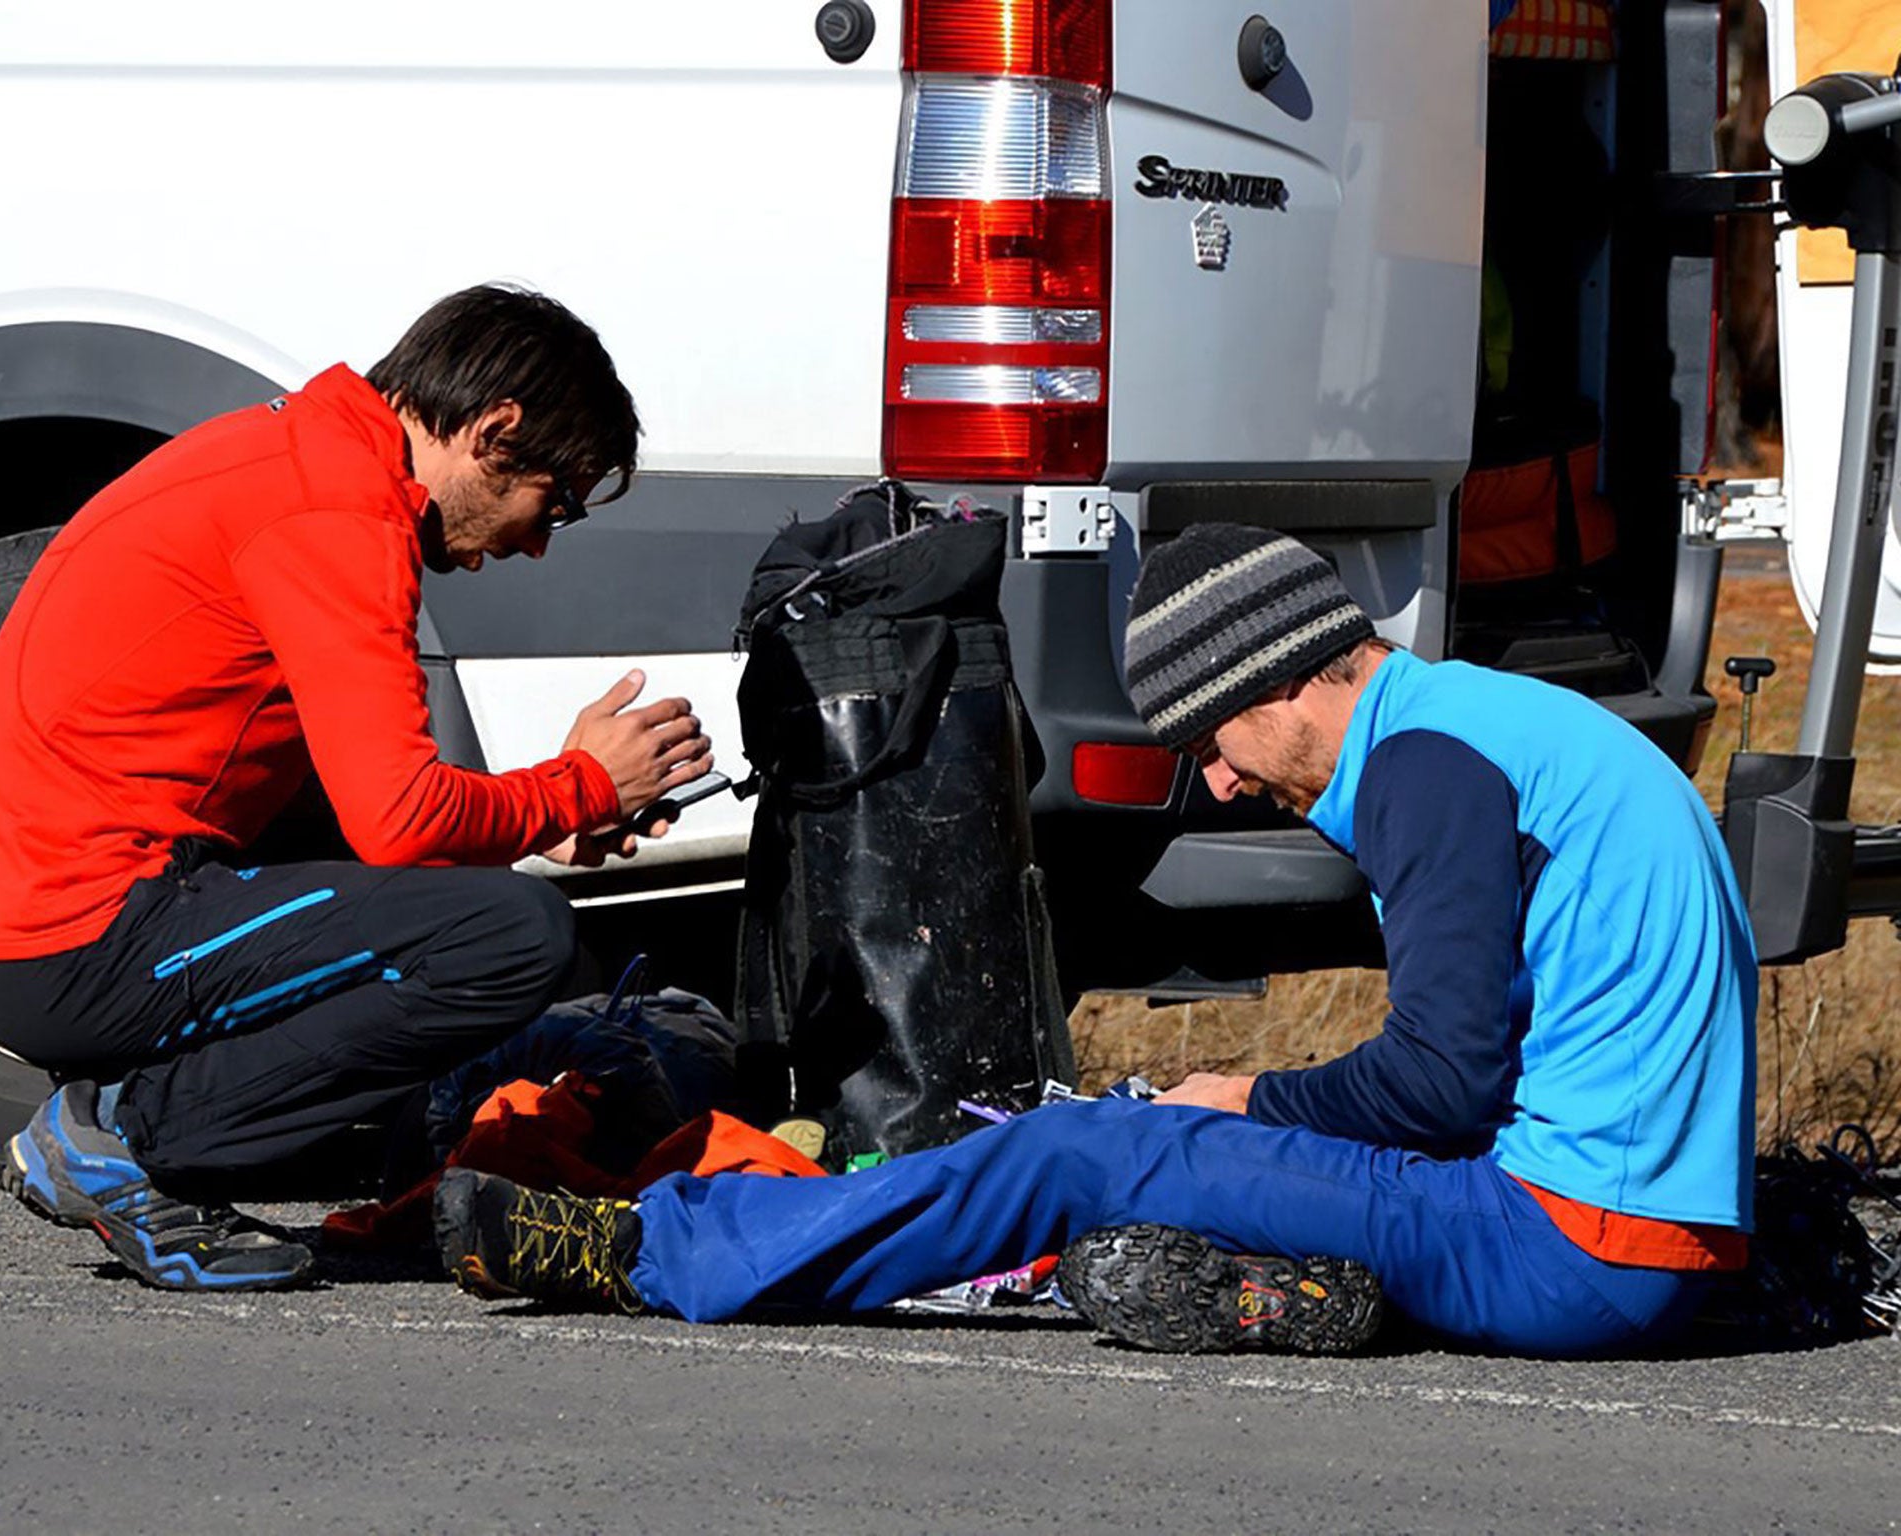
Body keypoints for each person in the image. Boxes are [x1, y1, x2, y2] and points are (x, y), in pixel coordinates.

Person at [432, 523, 1758, 1358]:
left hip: (1569, 1251)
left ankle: (646, 1252)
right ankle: (1282, 1283)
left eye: (1210, 744)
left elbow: (1439, 1085)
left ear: (1284, 678)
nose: (1223, 786)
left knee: (1086, 1142)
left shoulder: (1425, 766)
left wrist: (1239, 1096)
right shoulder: (1497, 726)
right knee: (1162, 1141)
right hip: (1648, 1237)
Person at [0, 284, 714, 1292]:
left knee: (468, 906)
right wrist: (573, 789)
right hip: (76, 933)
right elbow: (396, 823)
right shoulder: (338, 515)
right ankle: (118, 1135)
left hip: (48, 915)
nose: (534, 543)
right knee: (512, 939)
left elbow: (374, 801)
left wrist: (540, 818)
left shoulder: (302, 456)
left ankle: (137, 1119)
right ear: (495, 433)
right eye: (551, 503)